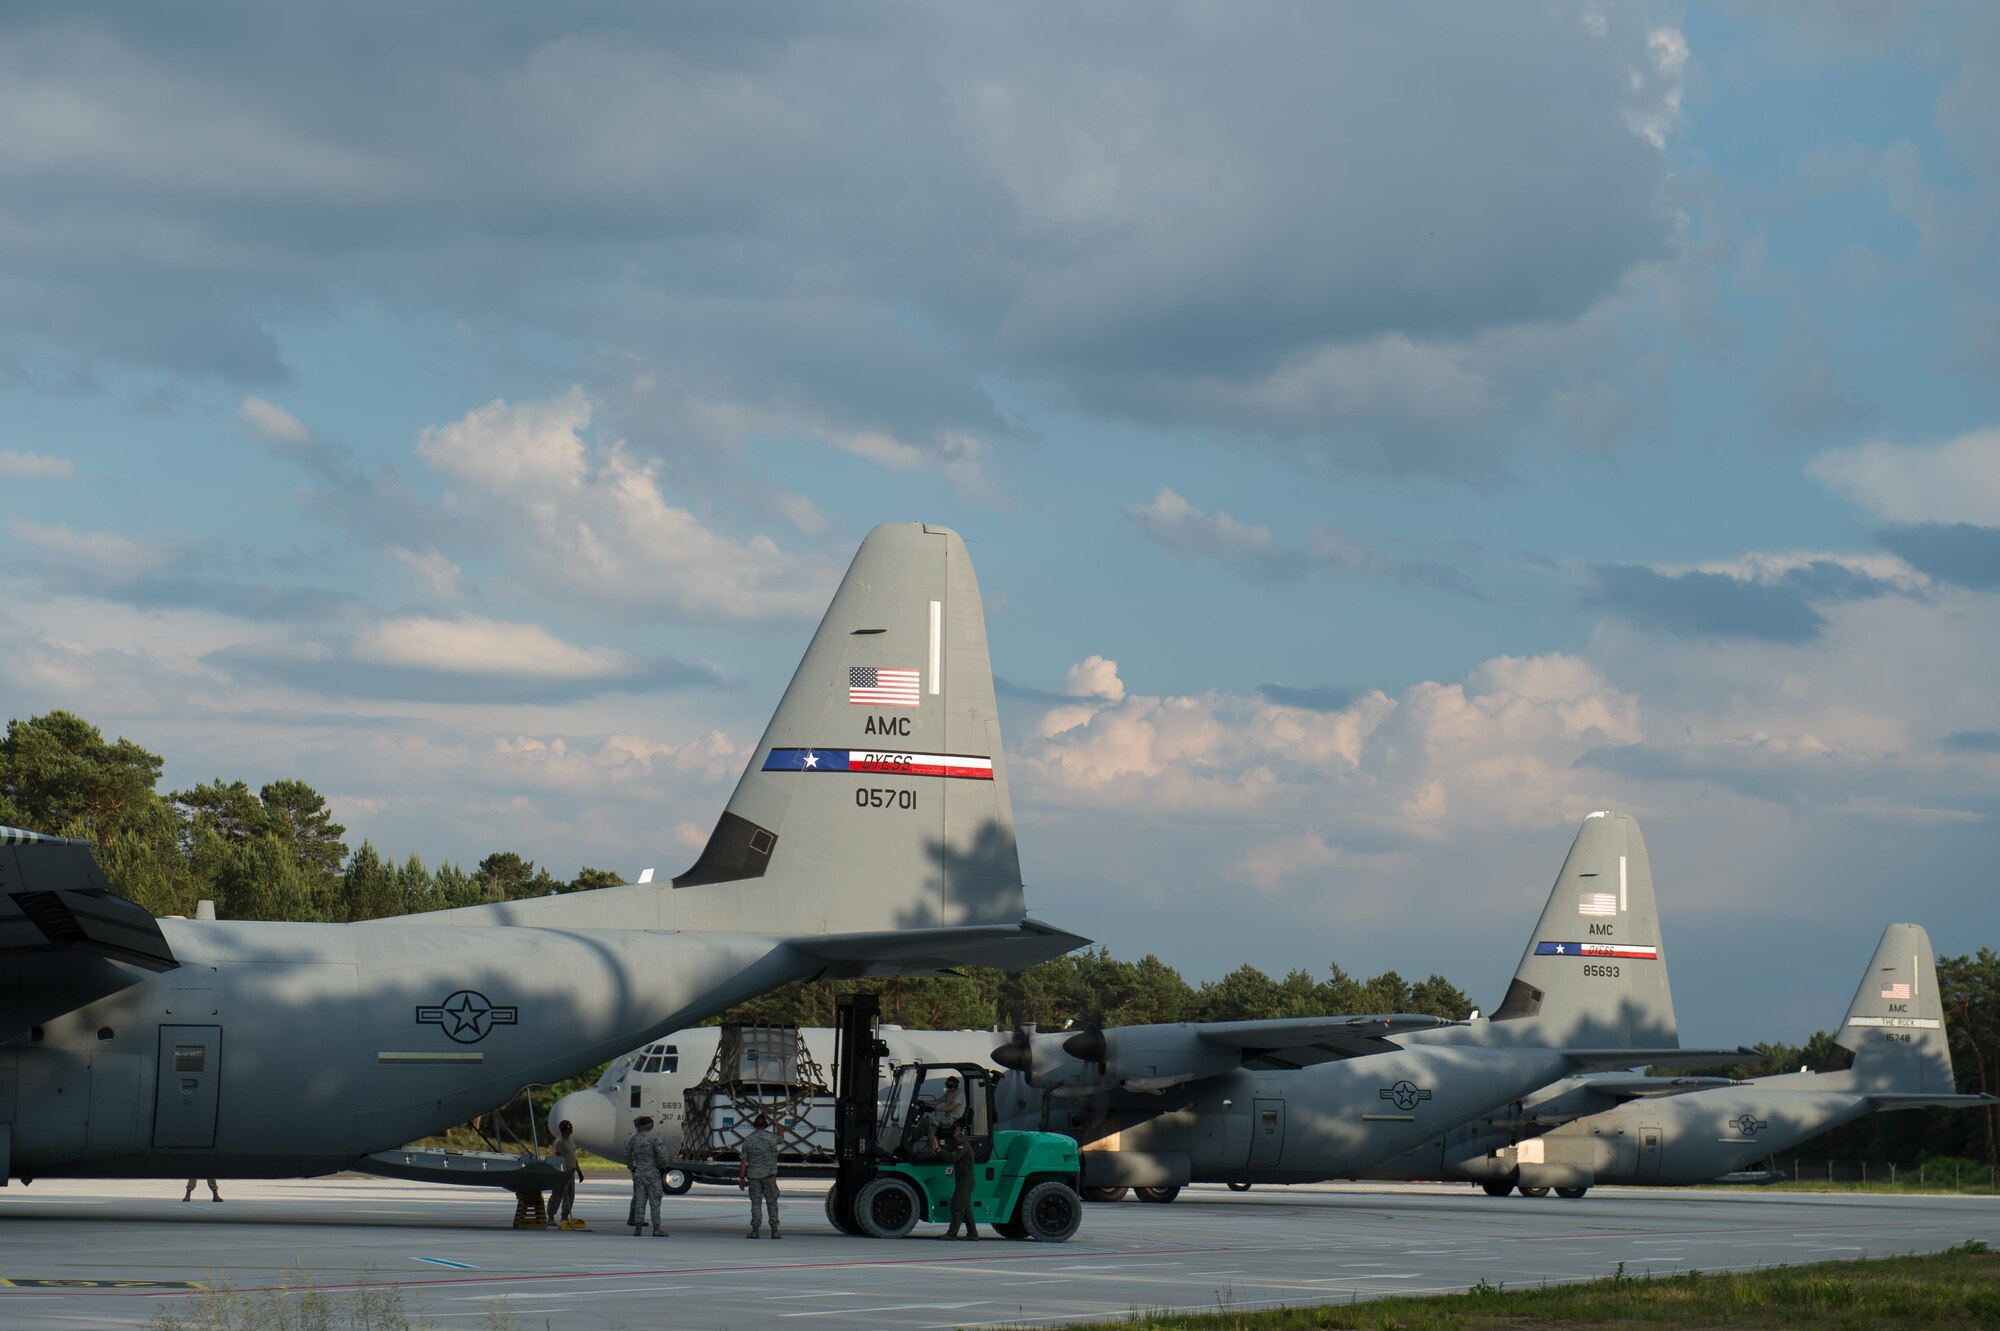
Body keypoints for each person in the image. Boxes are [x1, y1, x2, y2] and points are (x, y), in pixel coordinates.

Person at [623, 1115, 671, 1237]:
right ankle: (656, 1229)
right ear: (650, 1125)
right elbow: (663, 1156)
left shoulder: (633, 1139)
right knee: (655, 1201)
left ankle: (638, 1228)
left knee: (640, 1200)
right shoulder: (654, 1138)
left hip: (639, 1173)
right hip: (652, 1173)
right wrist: (662, 1166)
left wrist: (632, 1167)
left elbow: (627, 1155)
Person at [738, 1114, 782, 1239]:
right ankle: (774, 1230)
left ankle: (755, 1230)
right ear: (766, 1125)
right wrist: (777, 1124)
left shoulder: (748, 1140)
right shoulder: (772, 1139)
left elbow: (743, 1161)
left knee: (756, 1203)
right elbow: (782, 1138)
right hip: (769, 1176)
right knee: (772, 1202)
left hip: (754, 1177)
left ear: (754, 1125)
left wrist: (742, 1177)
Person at [942, 1131, 978, 1241]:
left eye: (956, 1129)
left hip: (965, 1182)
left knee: (957, 1206)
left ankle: (952, 1233)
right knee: (966, 1210)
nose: (954, 1130)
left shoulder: (963, 1146)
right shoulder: (959, 1145)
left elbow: (952, 1158)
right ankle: (973, 1234)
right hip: (964, 1182)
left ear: (961, 1133)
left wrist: (938, 1150)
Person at [549, 1118, 583, 1230]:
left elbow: (573, 1156)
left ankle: (565, 1216)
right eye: (570, 1127)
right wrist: (562, 1171)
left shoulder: (571, 1141)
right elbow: (558, 1157)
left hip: (571, 1171)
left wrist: (579, 1171)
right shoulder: (559, 1142)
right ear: (565, 1129)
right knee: (558, 1193)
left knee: (570, 1194)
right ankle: (551, 1215)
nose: (572, 1129)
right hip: (563, 1172)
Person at [918, 1075, 966, 1152]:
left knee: (932, 1121)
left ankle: (931, 1146)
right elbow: (937, 1101)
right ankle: (912, 1141)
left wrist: (935, 1109)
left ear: (956, 1085)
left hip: (953, 1120)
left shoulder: (959, 1094)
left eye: (951, 1086)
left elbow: (950, 1108)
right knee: (924, 1121)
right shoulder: (949, 1093)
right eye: (948, 1086)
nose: (950, 1088)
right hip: (948, 1118)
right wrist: (924, 1102)